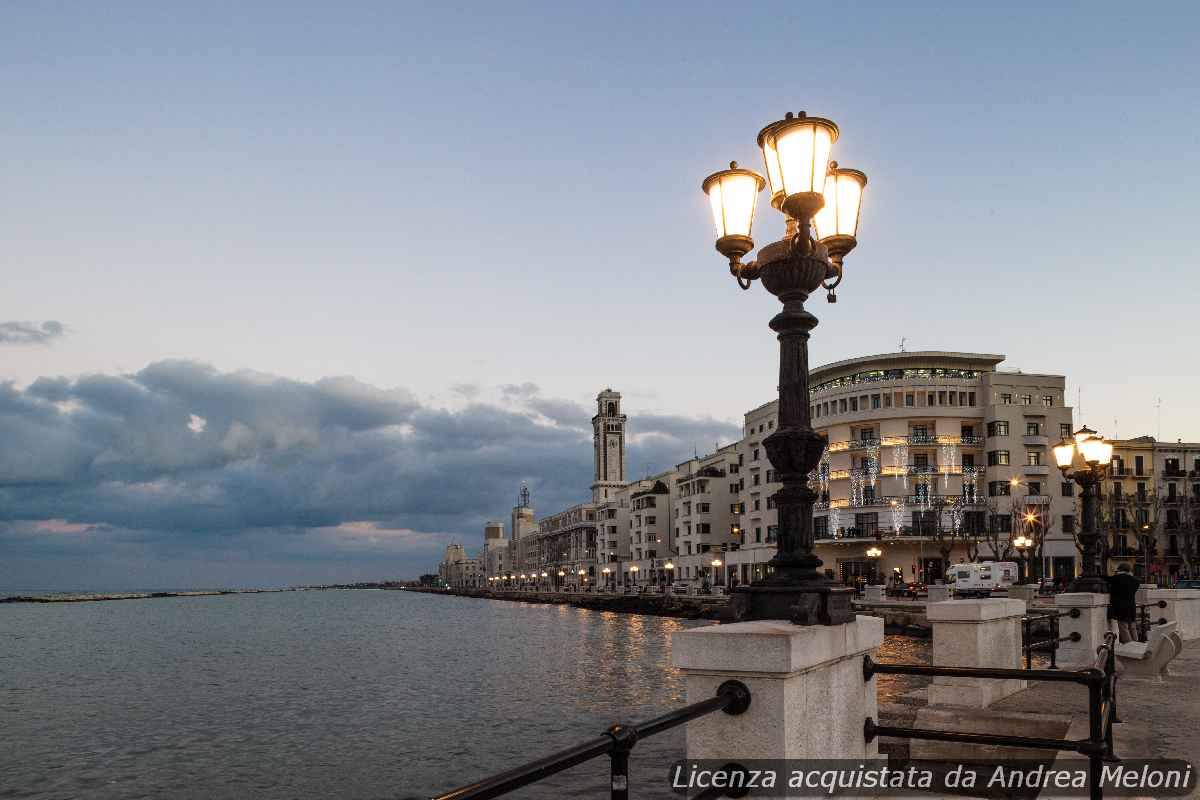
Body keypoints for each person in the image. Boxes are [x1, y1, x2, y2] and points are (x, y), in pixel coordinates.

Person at [1106, 563, 1140, 644]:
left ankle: (1129, 647)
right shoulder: (1135, 581)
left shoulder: (1116, 578)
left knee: (1123, 628)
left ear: (1119, 570)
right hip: (1131, 606)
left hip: (1120, 607)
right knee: (1132, 627)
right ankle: (1137, 645)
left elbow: (1105, 579)